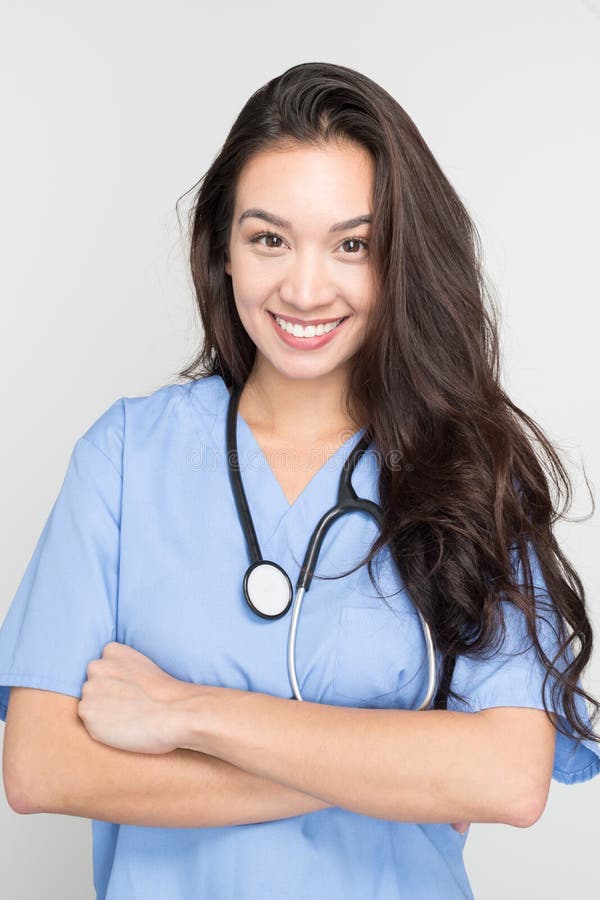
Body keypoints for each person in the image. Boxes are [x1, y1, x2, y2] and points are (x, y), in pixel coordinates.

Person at [0, 61, 599, 900]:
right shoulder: (127, 458)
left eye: (352, 244)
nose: (305, 287)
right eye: (269, 238)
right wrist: (395, 766)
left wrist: (189, 715)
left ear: (401, 260)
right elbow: (38, 765)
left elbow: (506, 778)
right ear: (223, 251)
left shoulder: (470, 469)